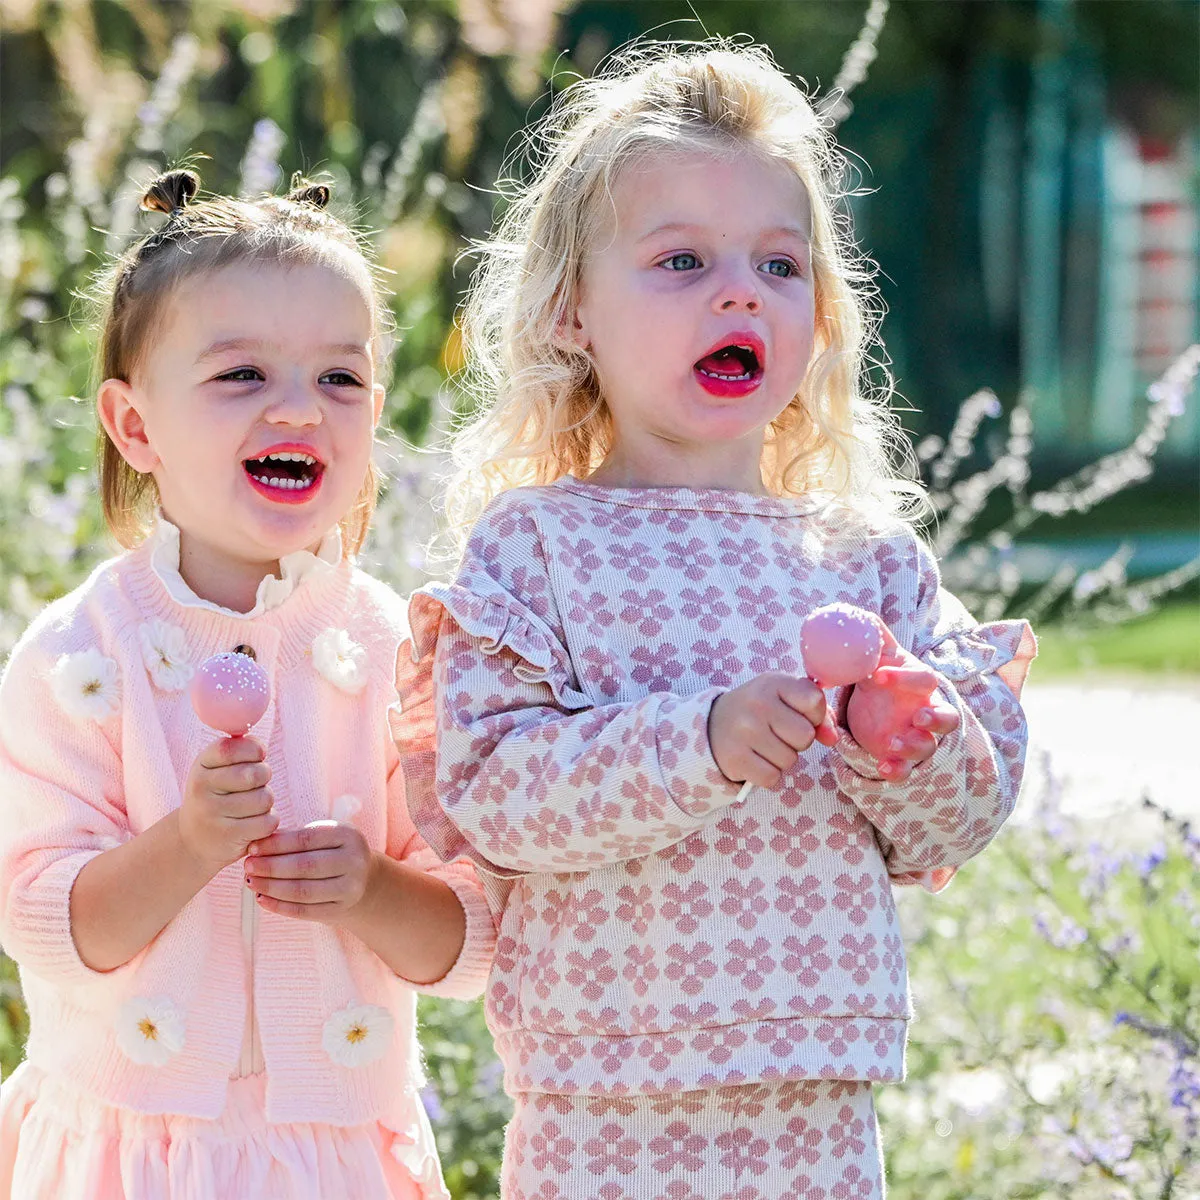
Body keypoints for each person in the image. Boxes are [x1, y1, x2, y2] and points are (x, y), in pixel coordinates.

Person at [393, 42, 1036, 1199]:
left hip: (817, 1093)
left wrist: (915, 741)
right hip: (608, 1094)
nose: (740, 291)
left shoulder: (871, 563)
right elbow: (496, 791)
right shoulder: (540, 547)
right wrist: (702, 740)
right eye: (682, 259)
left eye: (779, 265)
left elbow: (954, 824)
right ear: (571, 313)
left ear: (820, 316)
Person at [0, 169, 495, 1200]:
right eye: (240, 376)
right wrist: (184, 847)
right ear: (135, 429)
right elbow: (43, 919)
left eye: (340, 379)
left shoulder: (403, 653)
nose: (298, 409)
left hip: (338, 1159)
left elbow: (474, 940)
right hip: (125, 1154)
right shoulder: (79, 657)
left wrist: (371, 888)